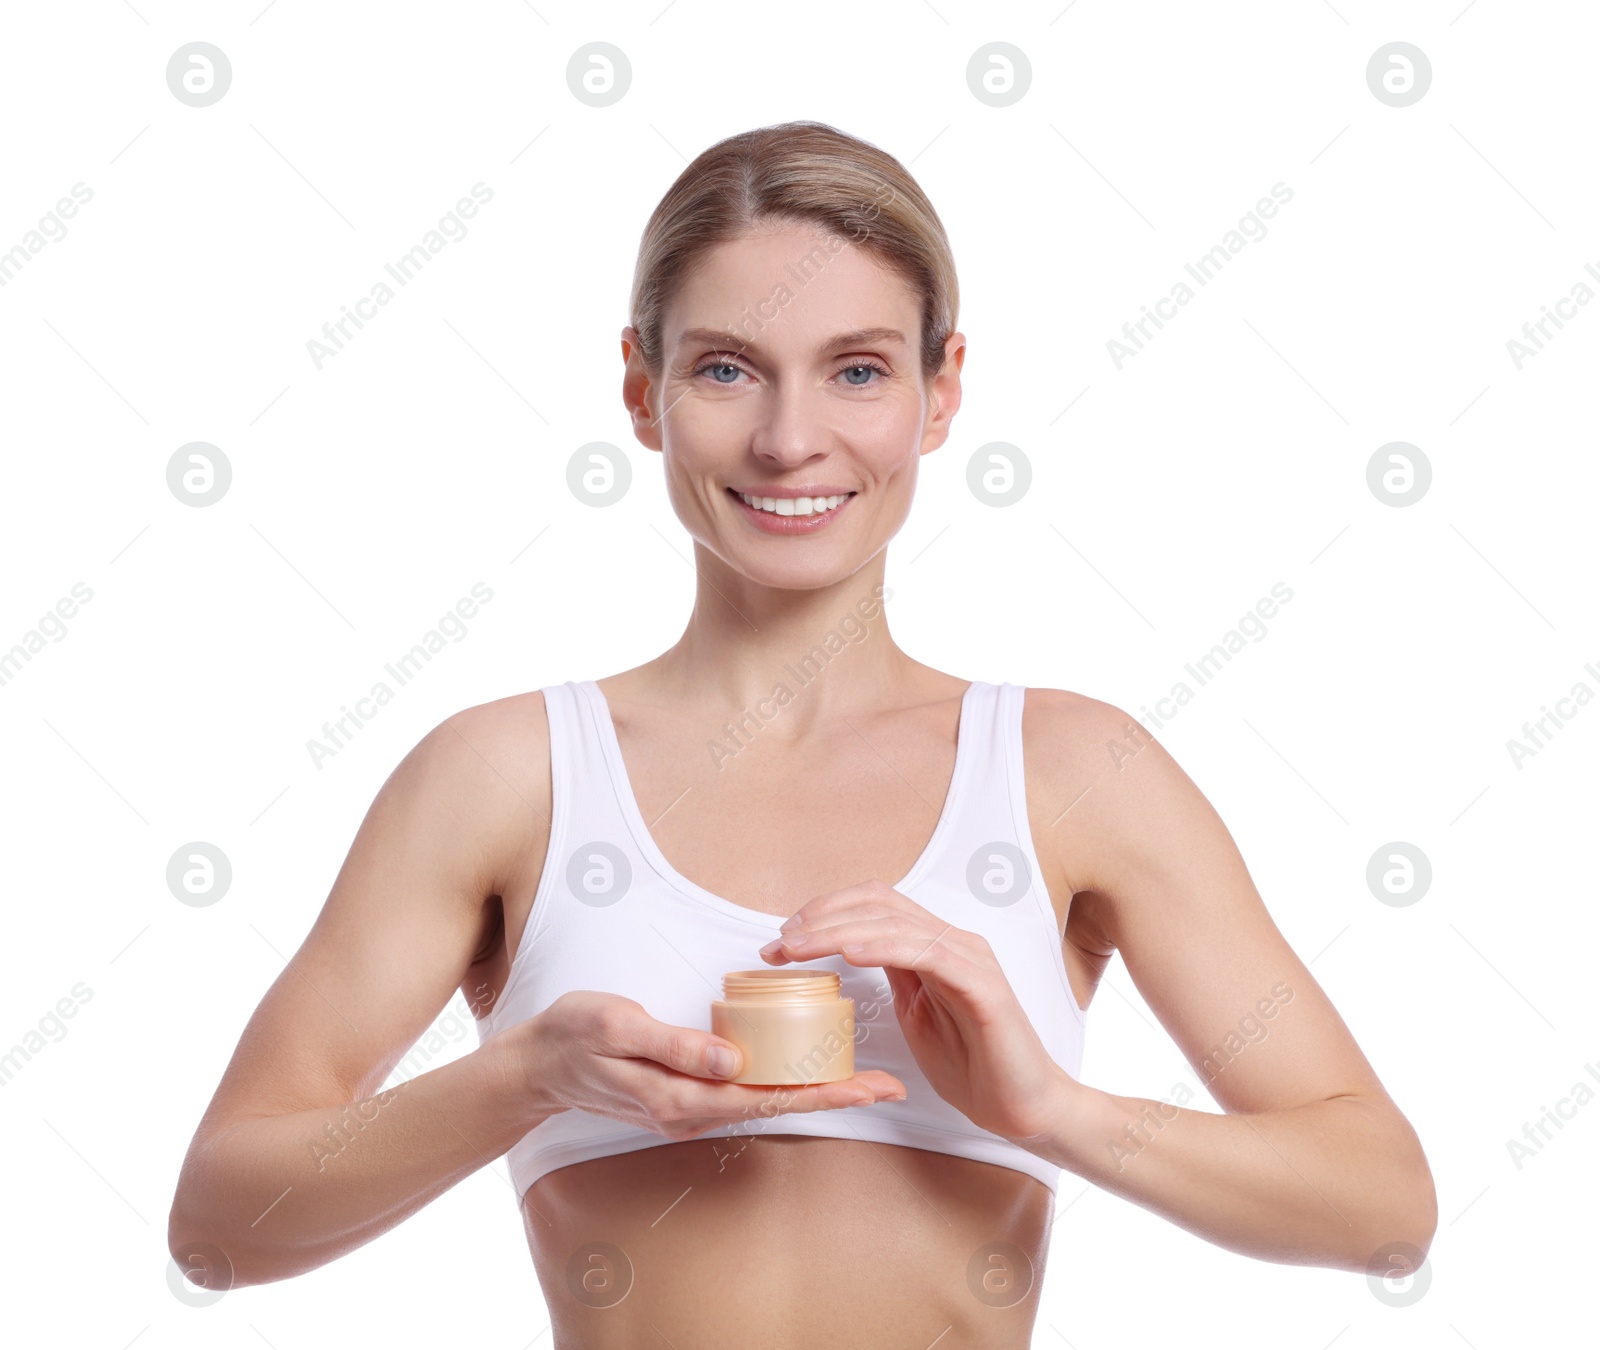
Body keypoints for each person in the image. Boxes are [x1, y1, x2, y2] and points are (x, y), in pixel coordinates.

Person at [169, 120, 1437, 1348]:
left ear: (941, 393)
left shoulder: (1071, 772)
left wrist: (1048, 1109)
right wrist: (526, 1075)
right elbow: (220, 1224)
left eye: (858, 368)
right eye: (725, 367)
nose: (788, 439)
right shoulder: (504, 776)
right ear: (641, 389)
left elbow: (1381, 1207)